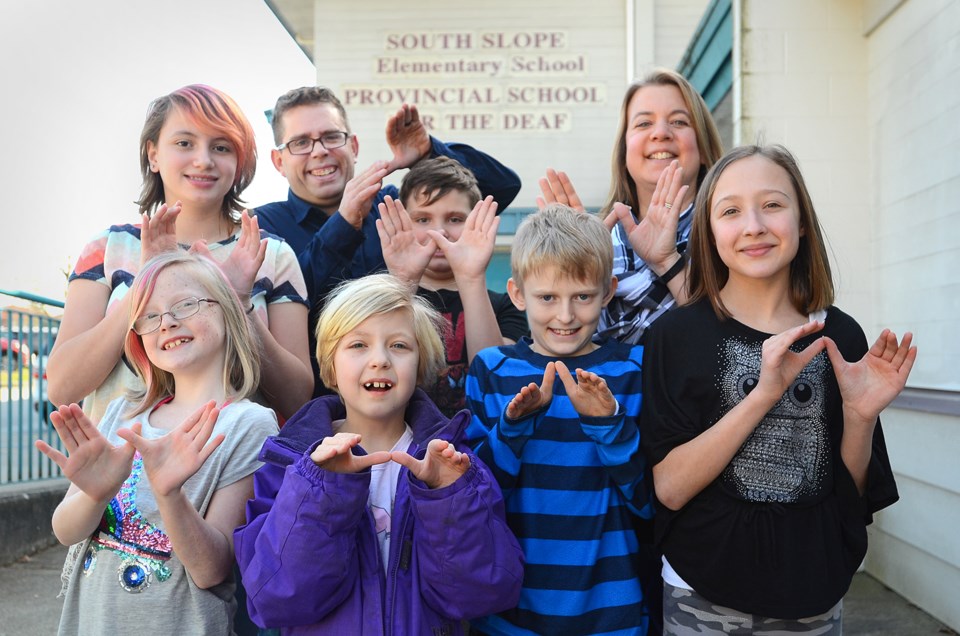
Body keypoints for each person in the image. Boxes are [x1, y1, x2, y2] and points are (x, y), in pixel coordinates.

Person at [641, 145, 914, 633]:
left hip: (812, 585)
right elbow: (671, 488)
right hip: (701, 589)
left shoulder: (841, 336)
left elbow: (849, 490)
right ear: (709, 232)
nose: (754, 226)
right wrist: (764, 393)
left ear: (802, 221)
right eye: (730, 211)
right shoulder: (675, 336)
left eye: (772, 204)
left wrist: (860, 415)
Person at [234, 273, 524, 634]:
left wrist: (448, 496)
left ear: (420, 366)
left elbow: (482, 596)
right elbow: (276, 600)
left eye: (399, 346)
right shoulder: (292, 464)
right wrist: (322, 489)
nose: (380, 360)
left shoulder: (456, 463)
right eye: (358, 345)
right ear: (330, 367)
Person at [36, 252, 280, 634]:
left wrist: (170, 495)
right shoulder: (122, 413)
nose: (167, 322)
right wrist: (95, 495)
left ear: (228, 312)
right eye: (150, 315)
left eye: (186, 304)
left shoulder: (249, 423)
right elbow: (65, 531)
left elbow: (211, 570)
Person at [46, 84, 313, 422]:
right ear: (153, 154)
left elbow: (296, 400)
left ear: (239, 160)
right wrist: (147, 280)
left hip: (236, 470)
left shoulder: (270, 254)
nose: (203, 160)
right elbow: (62, 388)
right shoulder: (109, 248)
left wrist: (236, 301)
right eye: (184, 143)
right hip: (120, 472)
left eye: (221, 146)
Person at [254, 87, 521, 392]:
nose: (319, 151)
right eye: (300, 142)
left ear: (353, 146)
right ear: (278, 161)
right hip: (323, 408)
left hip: (407, 404)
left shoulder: (392, 207)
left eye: (331, 137)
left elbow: (498, 189)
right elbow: (295, 309)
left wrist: (428, 153)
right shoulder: (263, 225)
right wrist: (342, 225)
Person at [465, 205, 654, 635]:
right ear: (517, 294)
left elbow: (648, 502)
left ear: (608, 291)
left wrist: (609, 424)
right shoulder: (491, 371)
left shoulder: (634, 370)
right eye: (547, 297)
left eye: (582, 297)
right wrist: (512, 430)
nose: (565, 316)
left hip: (611, 611)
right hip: (509, 615)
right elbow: (477, 501)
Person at [538, 68, 724, 345]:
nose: (661, 133)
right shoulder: (599, 239)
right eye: (643, 124)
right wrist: (574, 260)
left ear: (704, 147)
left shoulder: (729, 234)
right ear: (624, 153)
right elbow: (554, 347)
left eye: (679, 122)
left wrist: (667, 263)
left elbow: (733, 338)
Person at [376, 156, 528, 416]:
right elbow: (376, 363)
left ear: (474, 222)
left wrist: (470, 277)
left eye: (455, 219)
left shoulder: (505, 306)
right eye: (423, 220)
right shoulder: (380, 299)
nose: (440, 232)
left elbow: (496, 380)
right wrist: (403, 281)